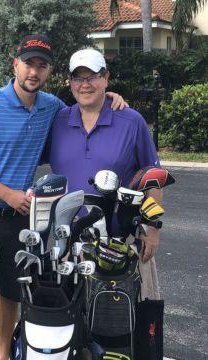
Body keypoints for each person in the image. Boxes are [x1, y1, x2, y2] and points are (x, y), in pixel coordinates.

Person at [0, 35, 126, 360]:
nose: (34, 71)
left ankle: (3, 354)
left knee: (10, 292)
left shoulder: (52, 108)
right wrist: (7, 194)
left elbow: (84, 107)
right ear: (15, 64)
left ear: (49, 72)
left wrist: (109, 96)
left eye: (42, 65)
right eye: (29, 63)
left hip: (18, 217)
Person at [44, 48, 163, 298]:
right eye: (78, 78)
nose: (85, 85)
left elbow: (154, 178)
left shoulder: (131, 121)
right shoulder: (58, 121)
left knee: (125, 324)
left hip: (121, 241)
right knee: (71, 320)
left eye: (93, 77)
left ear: (106, 78)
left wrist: (152, 230)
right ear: (70, 82)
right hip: (68, 242)